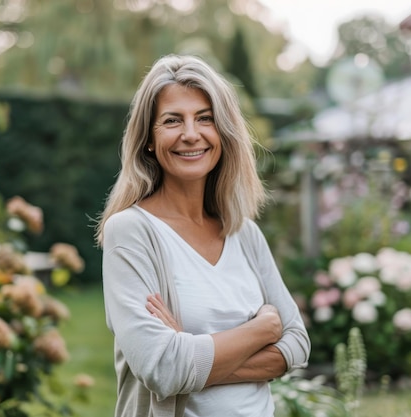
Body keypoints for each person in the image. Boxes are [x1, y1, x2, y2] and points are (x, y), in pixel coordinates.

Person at [95, 54, 310, 417]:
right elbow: (162, 369)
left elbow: (297, 346)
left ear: (223, 133)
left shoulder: (244, 232)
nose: (191, 134)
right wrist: (262, 330)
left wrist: (191, 354)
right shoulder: (131, 232)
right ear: (149, 138)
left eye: (205, 118)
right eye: (172, 120)